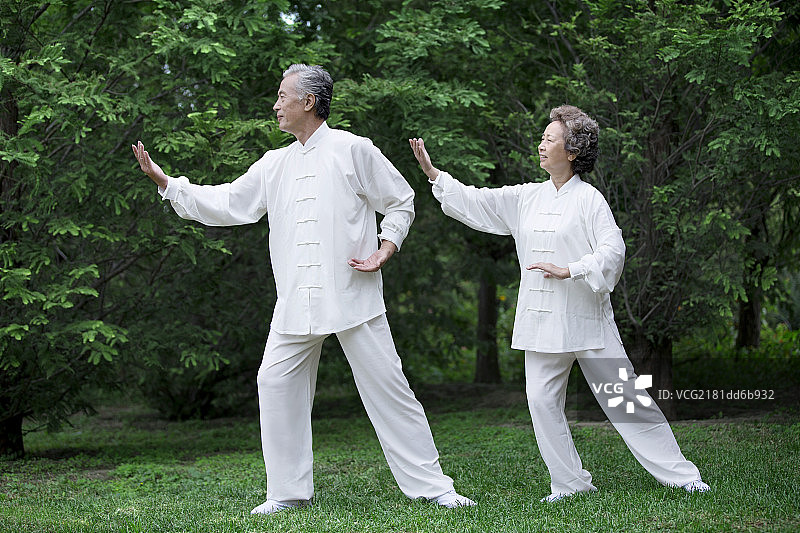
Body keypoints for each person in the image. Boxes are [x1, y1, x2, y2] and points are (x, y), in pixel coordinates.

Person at [132, 64, 475, 514]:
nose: (275, 105)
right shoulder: (275, 163)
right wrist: (168, 184)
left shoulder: (355, 150)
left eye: (282, 96)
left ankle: (434, 488)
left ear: (308, 102)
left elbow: (400, 201)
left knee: (389, 389)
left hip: (354, 294)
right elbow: (231, 202)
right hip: (295, 301)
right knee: (273, 382)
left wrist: (384, 249)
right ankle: (288, 492)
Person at [409, 105, 710, 503]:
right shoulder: (526, 197)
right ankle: (569, 484)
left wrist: (572, 269)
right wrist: (435, 175)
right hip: (541, 321)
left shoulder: (590, 200)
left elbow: (613, 251)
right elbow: (478, 203)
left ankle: (682, 476)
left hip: (587, 320)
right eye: (543, 138)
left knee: (625, 401)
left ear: (571, 151)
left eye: (549, 139)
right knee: (540, 401)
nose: (541, 145)